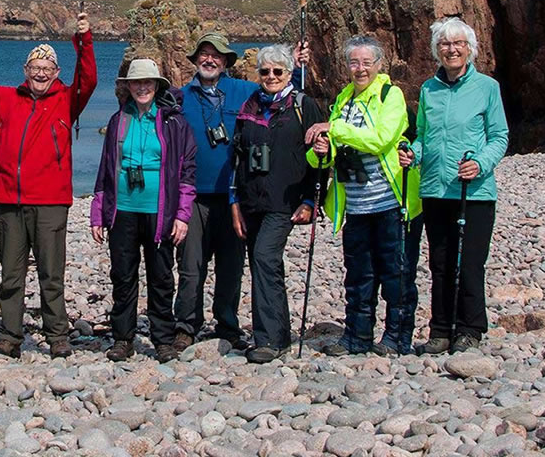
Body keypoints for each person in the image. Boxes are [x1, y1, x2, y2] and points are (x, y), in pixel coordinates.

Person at [0, 14, 96, 358]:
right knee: (11, 275)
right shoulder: (7, 99)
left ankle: (57, 336)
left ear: (56, 73)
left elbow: (89, 78)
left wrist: (84, 41)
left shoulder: (68, 100)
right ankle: (10, 337)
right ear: (25, 71)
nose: (41, 73)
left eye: (47, 68)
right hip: (10, 200)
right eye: (34, 67)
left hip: (51, 202)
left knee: (51, 274)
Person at [173, 31, 308, 354]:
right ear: (195, 60)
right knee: (191, 266)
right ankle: (185, 326)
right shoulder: (179, 97)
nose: (209, 59)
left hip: (237, 198)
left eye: (216, 55)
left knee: (231, 267)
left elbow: (285, 93)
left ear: (226, 62)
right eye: (203, 54)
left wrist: (299, 66)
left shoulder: (246, 92)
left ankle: (227, 325)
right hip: (192, 196)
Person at [305, 36, 422, 356]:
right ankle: (356, 337)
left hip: (389, 202)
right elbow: (326, 158)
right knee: (358, 276)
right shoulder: (343, 99)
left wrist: (334, 129)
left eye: (366, 63)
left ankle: (397, 337)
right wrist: (320, 152)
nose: (360, 69)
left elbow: (380, 139)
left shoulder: (390, 96)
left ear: (379, 65)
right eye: (354, 63)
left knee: (396, 274)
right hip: (355, 206)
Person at [400, 17, 508, 354]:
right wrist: (412, 155)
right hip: (434, 189)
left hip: (473, 191)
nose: (452, 49)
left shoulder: (487, 88)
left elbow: (500, 136)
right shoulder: (429, 89)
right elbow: (423, 137)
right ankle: (441, 328)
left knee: (470, 261)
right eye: (445, 44)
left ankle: (470, 328)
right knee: (440, 262)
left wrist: (480, 163)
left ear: (470, 49)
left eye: (458, 44)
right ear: (437, 51)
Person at [90, 59, 197, 363]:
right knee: (123, 276)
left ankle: (162, 338)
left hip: (160, 211)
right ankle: (123, 338)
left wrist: (182, 214)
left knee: (161, 276)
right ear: (128, 86)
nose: (142, 87)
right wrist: (98, 212)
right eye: (136, 82)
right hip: (122, 209)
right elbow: (105, 169)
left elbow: (188, 172)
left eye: (147, 82)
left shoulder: (174, 123)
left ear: (157, 85)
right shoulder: (117, 121)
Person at [229, 44, 323, 364]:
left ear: (289, 73)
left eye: (278, 71)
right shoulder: (250, 105)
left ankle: (267, 339)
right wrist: (234, 202)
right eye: (265, 71)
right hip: (252, 199)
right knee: (264, 265)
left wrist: (311, 200)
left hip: (285, 201)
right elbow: (237, 157)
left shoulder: (303, 106)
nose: (271, 77)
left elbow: (319, 158)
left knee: (264, 257)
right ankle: (278, 334)